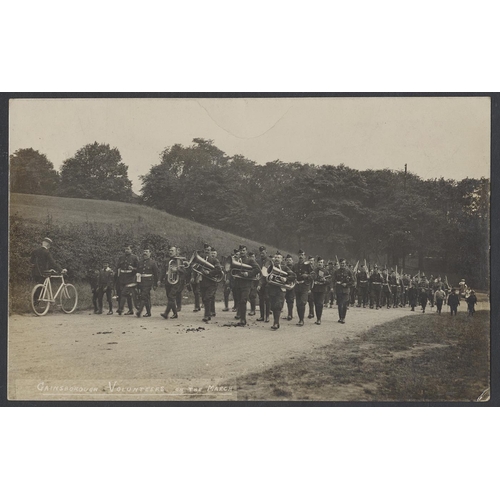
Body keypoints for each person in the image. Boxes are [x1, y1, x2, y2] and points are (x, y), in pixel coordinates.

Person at [263, 251, 295, 330]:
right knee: (273, 306)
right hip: (272, 289)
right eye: (276, 257)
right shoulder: (270, 266)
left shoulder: (284, 268)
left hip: (280, 289)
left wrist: (285, 279)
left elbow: (293, 275)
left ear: (282, 259)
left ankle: (276, 323)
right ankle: (275, 321)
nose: (277, 259)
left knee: (278, 305)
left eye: (279, 258)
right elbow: (265, 274)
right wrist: (269, 277)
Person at [232, 245, 261, 326]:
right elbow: (232, 269)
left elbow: (257, 269)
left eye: (244, 250)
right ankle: (241, 317)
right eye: (241, 250)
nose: (242, 252)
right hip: (238, 283)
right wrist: (234, 274)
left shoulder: (250, 260)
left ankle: (243, 319)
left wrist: (248, 274)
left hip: (246, 284)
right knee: (239, 301)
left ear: (246, 251)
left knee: (243, 300)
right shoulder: (236, 259)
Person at [30, 237, 66, 302]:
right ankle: (37, 301)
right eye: (49, 245)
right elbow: (52, 262)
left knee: (40, 286)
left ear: (43, 243)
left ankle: (36, 301)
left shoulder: (35, 251)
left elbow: (31, 261)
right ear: (48, 245)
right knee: (43, 287)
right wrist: (61, 270)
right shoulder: (46, 252)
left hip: (35, 272)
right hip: (43, 272)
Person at [160, 246, 186, 320]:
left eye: (172, 251)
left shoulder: (179, 260)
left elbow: (184, 272)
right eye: (170, 250)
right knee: (170, 298)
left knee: (171, 296)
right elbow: (162, 271)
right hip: (168, 281)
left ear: (176, 252)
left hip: (176, 282)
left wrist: (177, 270)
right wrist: (159, 280)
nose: (170, 252)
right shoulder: (166, 260)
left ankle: (166, 313)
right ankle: (175, 314)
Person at [291, 250, 315, 326]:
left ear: (305, 256)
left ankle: (302, 320)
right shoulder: (295, 266)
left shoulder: (308, 266)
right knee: (298, 304)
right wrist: (294, 279)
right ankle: (300, 319)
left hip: (305, 286)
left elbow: (314, 275)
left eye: (302, 255)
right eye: (299, 255)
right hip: (297, 286)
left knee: (302, 302)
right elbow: (291, 274)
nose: (301, 256)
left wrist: (307, 276)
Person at [200, 247, 223, 322]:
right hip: (203, 282)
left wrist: (209, 273)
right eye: (205, 250)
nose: (207, 252)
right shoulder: (202, 259)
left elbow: (219, 269)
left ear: (210, 252)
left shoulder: (214, 260)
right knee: (204, 298)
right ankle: (208, 313)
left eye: (208, 250)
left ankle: (207, 315)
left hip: (212, 283)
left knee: (207, 298)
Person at [115, 245, 139, 315]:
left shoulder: (134, 258)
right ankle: (130, 310)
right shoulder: (121, 257)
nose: (126, 250)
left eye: (128, 249)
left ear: (131, 250)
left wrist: (133, 269)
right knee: (125, 294)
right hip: (122, 278)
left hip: (130, 278)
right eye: (125, 249)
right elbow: (118, 267)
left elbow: (138, 268)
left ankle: (121, 308)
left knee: (125, 293)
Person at [135, 248, 159, 318]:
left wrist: (155, 284)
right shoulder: (140, 262)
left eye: (146, 252)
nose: (145, 253)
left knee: (143, 296)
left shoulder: (153, 262)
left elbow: (156, 274)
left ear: (150, 253)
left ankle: (139, 311)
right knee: (146, 297)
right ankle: (148, 312)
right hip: (141, 282)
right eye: (144, 251)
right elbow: (138, 273)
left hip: (148, 282)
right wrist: (137, 283)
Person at [333, 258, 354, 324]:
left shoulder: (348, 271)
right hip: (339, 290)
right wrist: (336, 283)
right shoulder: (336, 271)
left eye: (344, 263)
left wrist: (347, 284)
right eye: (341, 263)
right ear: (339, 264)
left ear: (345, 264)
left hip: (346, 290)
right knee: (339, 304)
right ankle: (340, 317)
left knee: (344, 304)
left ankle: (343, 318)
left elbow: (352, 281)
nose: (342, 265)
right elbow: (333, 280)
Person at [311, 257, 329, 325]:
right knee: (316, 304)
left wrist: (325, 280)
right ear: (317, 263)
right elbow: (311, 278)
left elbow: (329, 280)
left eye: (321, 262)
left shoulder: (325, 271)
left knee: (320, 304)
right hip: (315, 289)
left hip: (322, 289)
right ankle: (317, 317)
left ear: (323, 263)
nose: (320, 264)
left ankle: (319, 319)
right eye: (319, 262)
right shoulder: (314, 270)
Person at [257, 246, 271, 323]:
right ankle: (262, 316)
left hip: (267, 282)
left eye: (263, 253)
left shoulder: (268, 261)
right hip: (260, 282)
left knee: (267, 299)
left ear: (266, 252)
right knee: (261, 299)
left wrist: (259, 284)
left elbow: (264, 272)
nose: (262, 254)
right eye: (260, 253)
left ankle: (267, 316)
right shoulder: (258, 261)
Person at [283, 254, 295, 320]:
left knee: (290, 300)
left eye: (290, 260)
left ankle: (290, 314)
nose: (288, 261)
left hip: (291, 285)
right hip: (284, 284)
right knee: (285, 299)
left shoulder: (294, 267)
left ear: (292, 261)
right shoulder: (284, 267)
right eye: (287, 260)